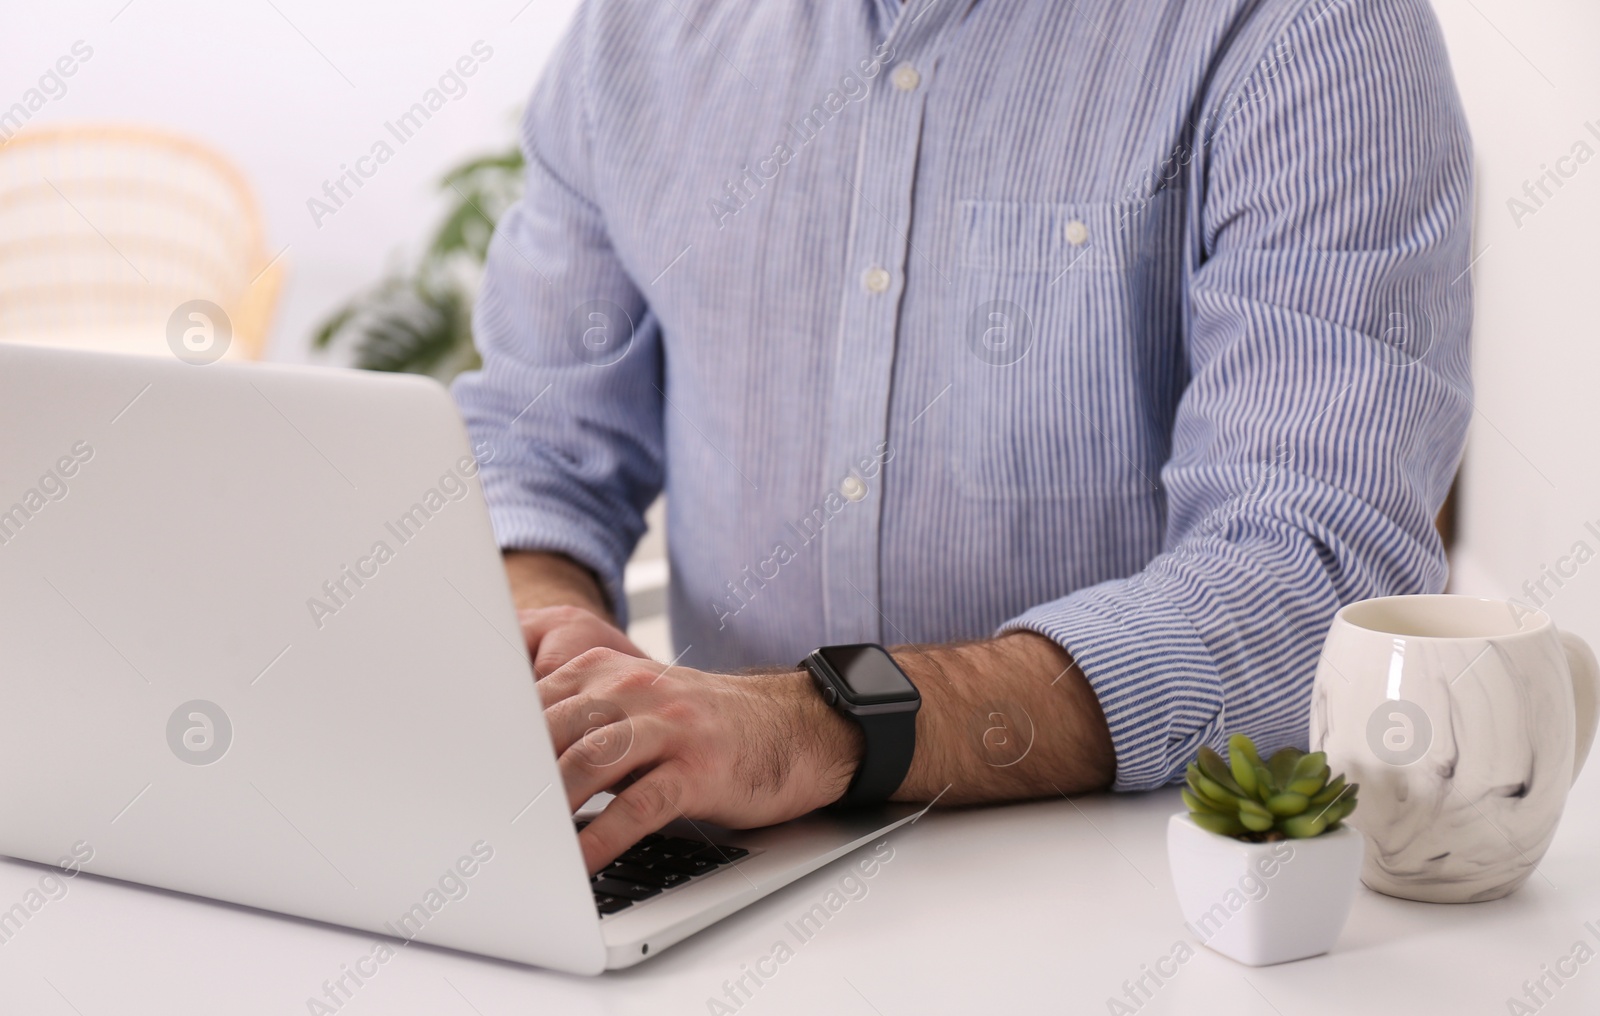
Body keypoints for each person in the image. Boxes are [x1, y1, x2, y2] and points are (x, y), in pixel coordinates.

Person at [451, 0, 1473, 874]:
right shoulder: (632, 33)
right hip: (723, 884)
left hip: (1133, 910)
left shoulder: (1307, 30)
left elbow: (1316, 575)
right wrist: (556, 644)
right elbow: (536, 442)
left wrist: (819, 723)